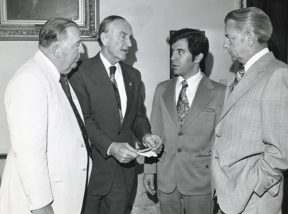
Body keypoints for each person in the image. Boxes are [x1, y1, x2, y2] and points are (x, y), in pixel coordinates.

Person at [69, 15, 162, 214]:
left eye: (131, 38)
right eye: (123, 37)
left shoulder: (133, 76)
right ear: (104, 38)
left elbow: (137, 116)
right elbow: (84, 120)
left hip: (123, 176)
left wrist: (146, 135)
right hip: (91, 174)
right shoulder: (80, 72)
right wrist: (111, 147)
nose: (129, 43)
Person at [211, 7, 288, 214]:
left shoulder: (278, 75)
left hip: (253, 201)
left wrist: (251, 187)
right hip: (229, 196)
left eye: (229, 38)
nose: (225, 45)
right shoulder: (243, 75)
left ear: (249, 37)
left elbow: (282, 151)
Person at [0, 17, 91, 214]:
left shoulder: (56, 78)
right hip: (41, 204)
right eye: (77, 45)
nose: (81, 51)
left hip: (61, 196)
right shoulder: (30, 80)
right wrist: (41, 206)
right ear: (57, 49)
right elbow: (29, 153)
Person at [143, 28, 226, 214]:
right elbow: (155, 131)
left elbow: (223, 142)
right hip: (166, 180)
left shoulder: (220, 93)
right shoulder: (162, 89)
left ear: (197, 57)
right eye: (172, 52)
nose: (173, 57)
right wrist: (149, 170)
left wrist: (223, 182)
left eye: (180, 52)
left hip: (201, 181)